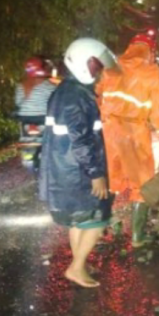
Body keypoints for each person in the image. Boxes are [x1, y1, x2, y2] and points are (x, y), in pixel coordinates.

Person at [39, 38, 113, 288]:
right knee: (97, 217)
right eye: (97, 66)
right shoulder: (75, 96)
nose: (100, 72)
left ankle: (78, 262)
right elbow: (80, 140)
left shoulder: (67, 91)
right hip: (77, 170)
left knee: (79, 219)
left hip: (67, 168)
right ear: (85, 64)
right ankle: (76, 267)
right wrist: (96, 173)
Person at [97, 33, 159, 248]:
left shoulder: (111, 68)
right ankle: (137, 236)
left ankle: (103, 227)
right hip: (135, 131)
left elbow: (98, 94)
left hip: (107, 130)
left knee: (109, 179)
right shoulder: (154, 73)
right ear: (152, 50)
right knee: (141, 184)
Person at [15, 56, 57, 124]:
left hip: (23, 118)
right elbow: (55, 100)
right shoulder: (48, 85)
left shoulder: (20, 85)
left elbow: (17, 102)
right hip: (41, 117)